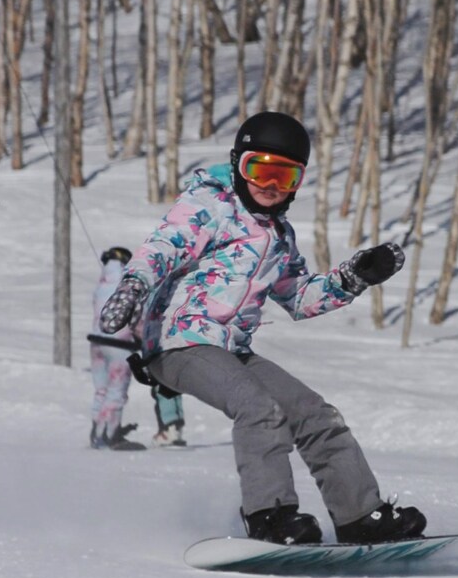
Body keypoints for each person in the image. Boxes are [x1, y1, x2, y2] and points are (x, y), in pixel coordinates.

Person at [99, 111, 426, 545]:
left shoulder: (279, 235)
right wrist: (133, 285)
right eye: (260, 170)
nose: (270, 186)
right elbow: (163, 248)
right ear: (238, 164)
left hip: (230, 349)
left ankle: (359, 516)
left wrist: (354, 277)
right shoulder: (209, 207)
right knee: (257, 408)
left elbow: (299, 298)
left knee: (314, 414)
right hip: (178, 344)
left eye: (285, 176)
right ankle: (269, 516)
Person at [90, 246, 187, 450]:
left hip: (97, 343)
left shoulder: (101, 284)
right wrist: (146, 338)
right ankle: (110, 434)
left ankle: (97, 431)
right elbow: (135, 316)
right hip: (120, 344)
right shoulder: (127, 283)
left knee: (101, 389)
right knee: (116, 390)